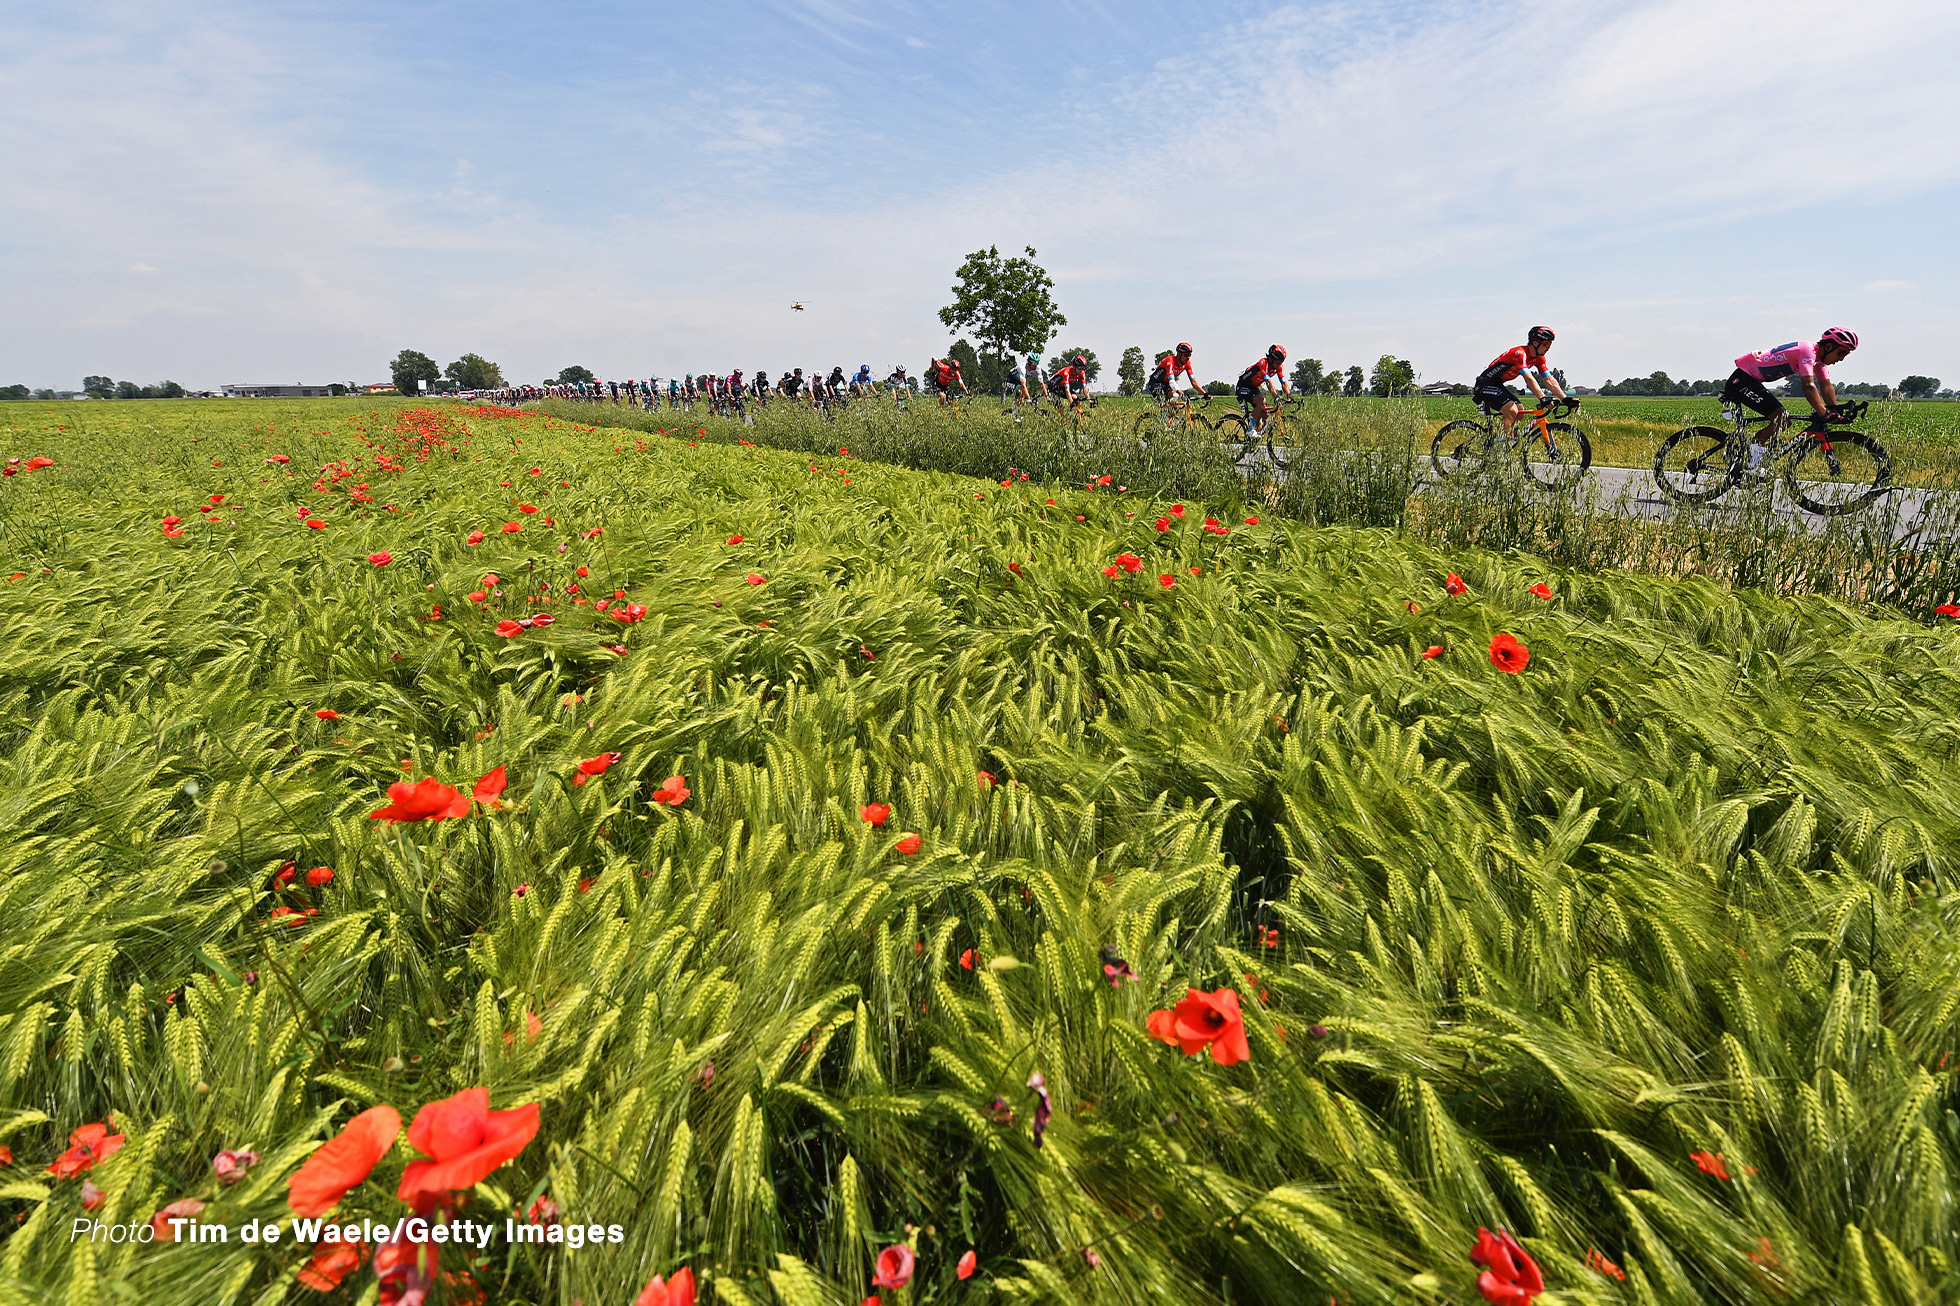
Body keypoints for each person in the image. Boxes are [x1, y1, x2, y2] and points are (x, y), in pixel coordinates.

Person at [1724, 329, 1858, 463]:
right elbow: (1808, 386)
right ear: (1828, 347)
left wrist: (1835, 411)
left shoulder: (1819, 362)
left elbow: (1826, 386)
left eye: (1846, 355)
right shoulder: (1807, 351)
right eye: (1842, 352)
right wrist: (1824, 413)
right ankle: (1751, 456)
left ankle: (1750, 454)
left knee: (1784, 421)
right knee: (1782, 419)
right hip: (1741, 381)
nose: (1841, 358)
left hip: (1750, 381)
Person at [1473, 327, 1572, 433]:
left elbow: (1548, 379)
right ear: (1535, 343)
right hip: (1484, 384)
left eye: (1550, 344)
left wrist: (1565, 398)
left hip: (1497, 384)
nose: (1548, 348)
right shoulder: (1520, 354)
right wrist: (1542, 397)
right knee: (1511, 411)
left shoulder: (1539, 358)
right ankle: (1498, 444)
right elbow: (1528, 378)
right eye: (1546, 344)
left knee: (1520, 412)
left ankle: (1502, 438)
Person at [1236, 345, 1289, 433]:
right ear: (1272, 359)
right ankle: (1251, 430)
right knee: (1261, 401)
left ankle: (1254, 434)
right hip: (1243, 386)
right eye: (1279, 361)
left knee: (1265, 414)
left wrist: (1288, 396)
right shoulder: (1263, 363)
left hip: (1253, 388)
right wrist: (1276, 396)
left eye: (1282, 362)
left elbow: (1283, 382)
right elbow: (1268, 382)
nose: (1280, 364)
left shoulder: (1278, 367)